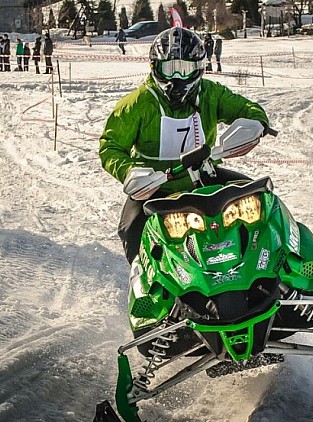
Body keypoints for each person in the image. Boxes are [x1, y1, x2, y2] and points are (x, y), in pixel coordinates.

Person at [99, 27, 271, 263]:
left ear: (199, 68)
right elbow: (111, 145)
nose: (176, 79)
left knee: (262, 202)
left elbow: (247, 109)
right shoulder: (138, 103)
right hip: (154, 189)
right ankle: (145, 287)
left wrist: (257, 124)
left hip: (206, 181)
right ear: (155, 67)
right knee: (131, 230)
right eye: (169, 69)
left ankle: (270, 270)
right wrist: (129, 172)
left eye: (185, 69)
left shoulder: (211, 94)